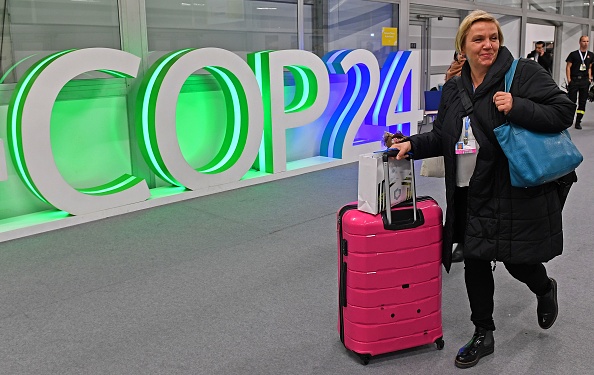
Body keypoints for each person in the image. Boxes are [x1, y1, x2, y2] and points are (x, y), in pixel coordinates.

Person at [390, 10, 575, 369]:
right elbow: (443, 135)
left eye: (493, 37)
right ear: (463, 47)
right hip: (469, 189)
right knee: (475, 258)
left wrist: (518, 106)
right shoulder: (454, 87)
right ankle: (483, 332)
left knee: (516, 260)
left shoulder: (521, 74)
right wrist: (410, 145)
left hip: (512, 187)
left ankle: (544, 287)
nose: (487, 44)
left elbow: (563, 111)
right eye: (478, 39)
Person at [565, 35, 594, 129]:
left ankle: (578, 121)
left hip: (585, 81)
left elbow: (589, 67)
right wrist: (569, 79)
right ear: (580, 42)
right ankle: (568, 120)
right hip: (574, 80)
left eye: (587, 41)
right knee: (572, 101)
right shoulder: (573, 54)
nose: (586, 43)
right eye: (584, 41)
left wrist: (589, 78)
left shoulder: (590, 55)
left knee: (582, 102)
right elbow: (568, 67)